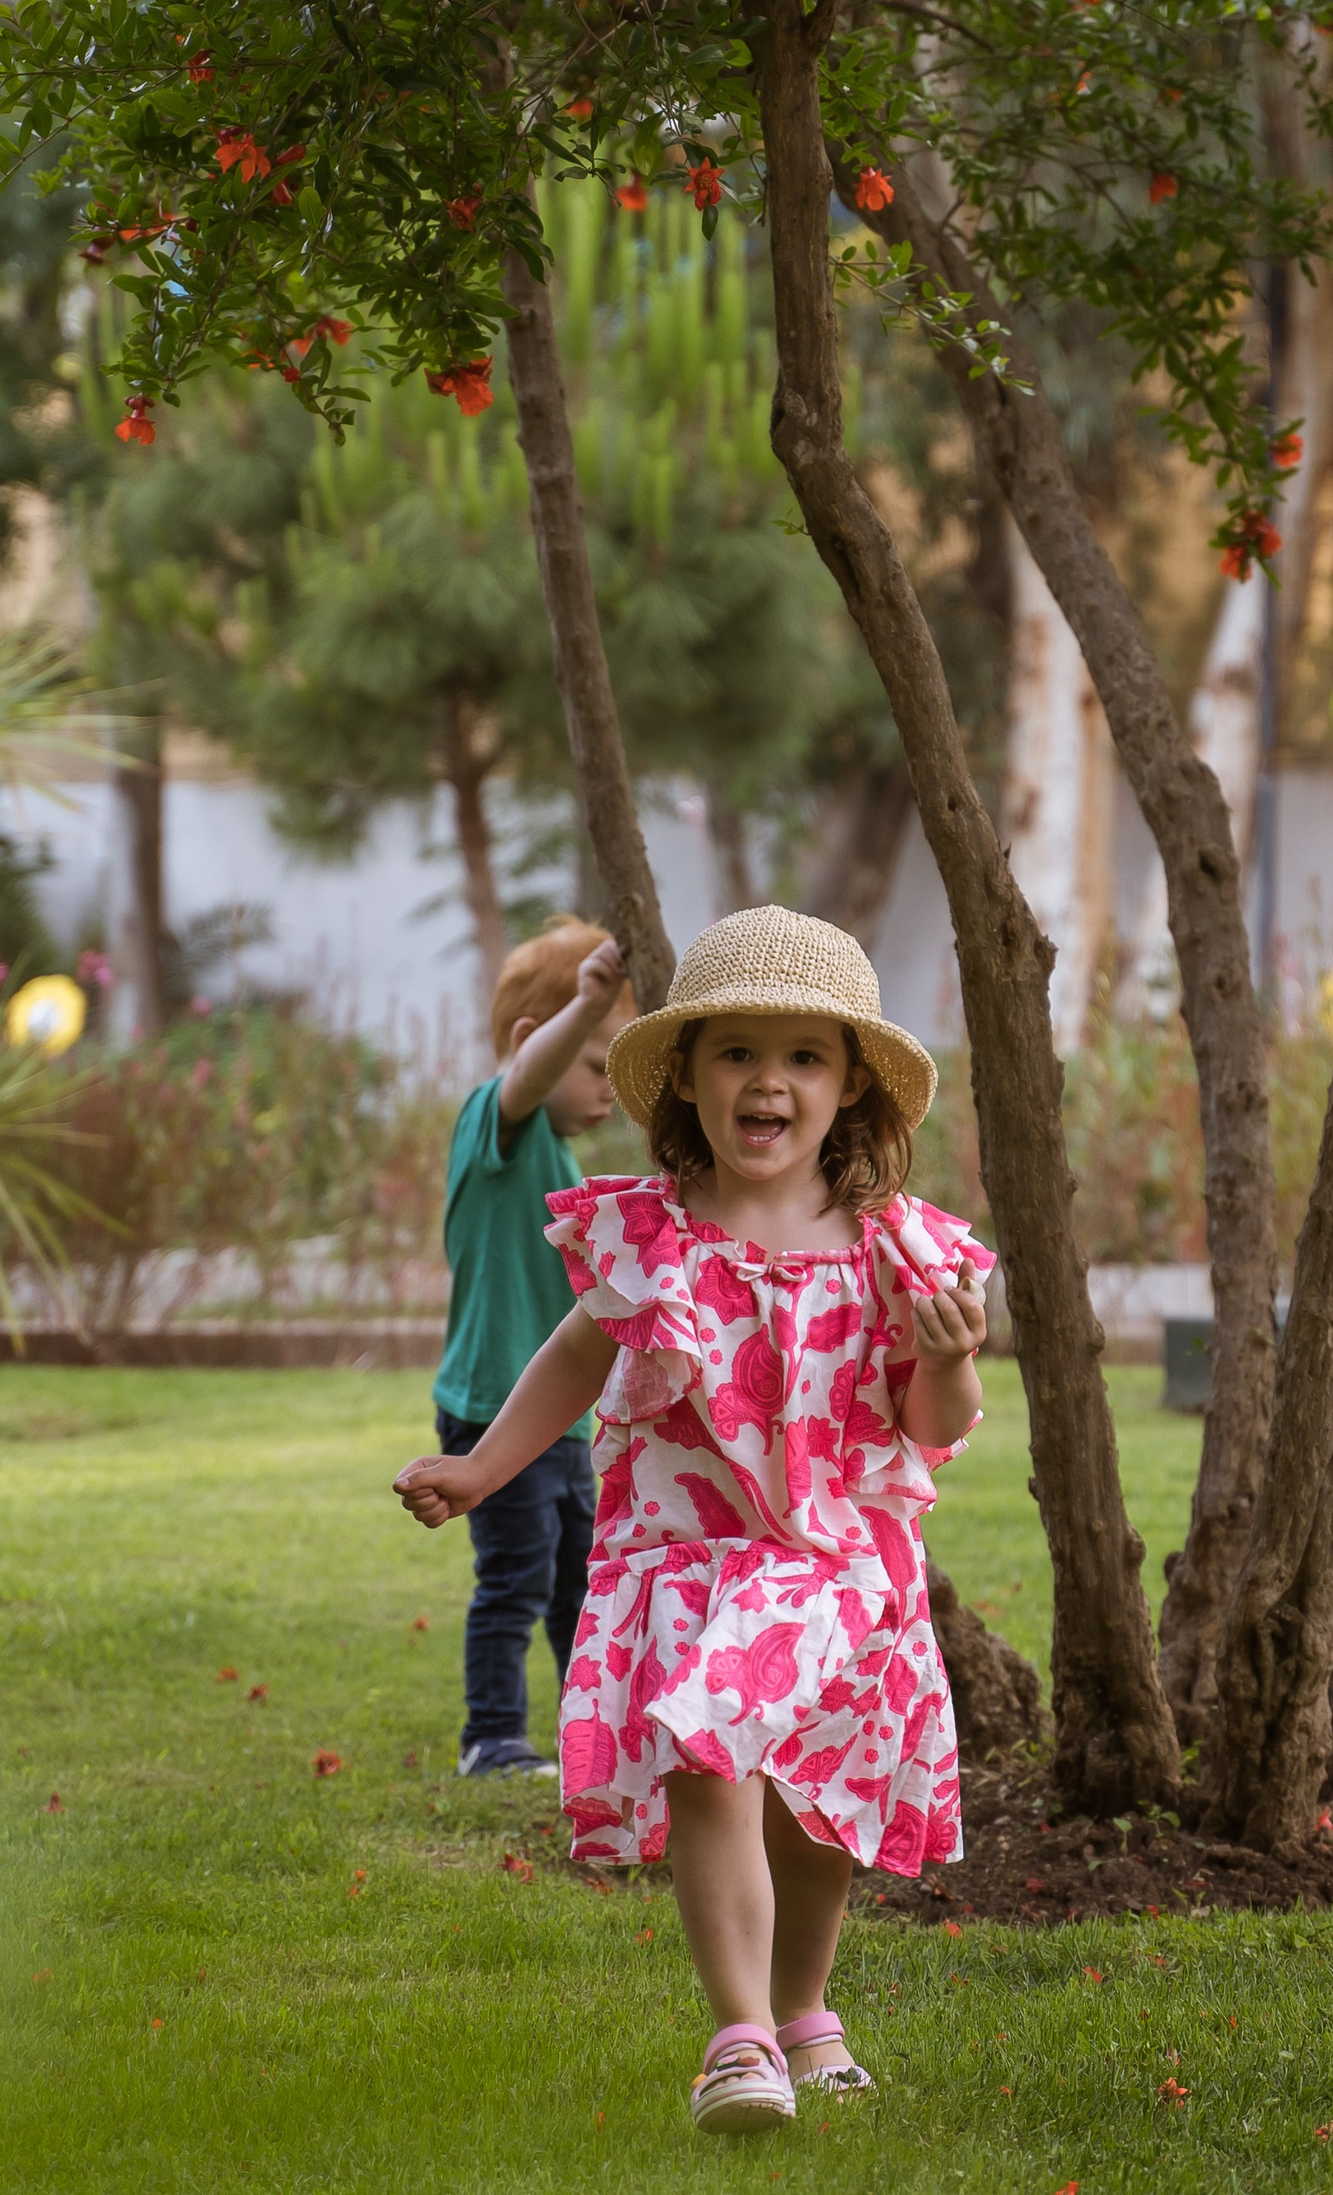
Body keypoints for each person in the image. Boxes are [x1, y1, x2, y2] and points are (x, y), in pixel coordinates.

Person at [398, 904, 991, 2136]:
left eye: (804, 1056)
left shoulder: (895, 1250)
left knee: (819, 1798)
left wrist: (955, 1360)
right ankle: (737, 2037)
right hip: (691, 1559)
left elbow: (929, 1423)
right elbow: (572, 1356)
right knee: (711, 1756)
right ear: (690, 1079)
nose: (767, 1079)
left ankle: (806, 2009)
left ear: (847, 1092)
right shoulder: (658, 1232)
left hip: (837, 1564)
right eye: (736, 1052)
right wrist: (485, 1470)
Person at [428, 916, 635, 1779]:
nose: (609, 1089)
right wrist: (588, 1000)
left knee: (574, 1584)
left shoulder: (560, 1156)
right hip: (488, 1409)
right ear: (534, 1043)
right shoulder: (499, 1125)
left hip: (554, 1418)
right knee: (514, 1580)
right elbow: (526, 1079)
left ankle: (589, 1734)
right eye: (596, 1064)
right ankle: (493, 1739)